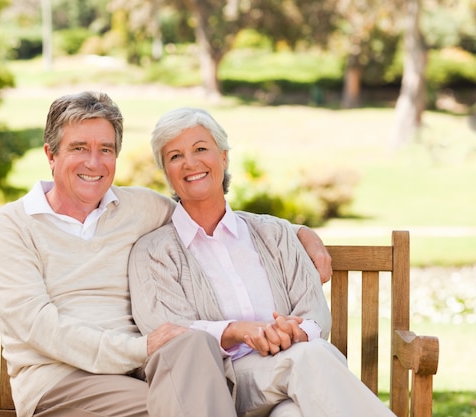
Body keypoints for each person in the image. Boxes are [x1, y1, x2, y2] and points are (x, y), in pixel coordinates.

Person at [0, 91, 331, 417]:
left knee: (194, 344)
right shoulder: (12, 226)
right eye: (79, 148)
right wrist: (140, 348)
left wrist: (300, 233)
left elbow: (211, 213)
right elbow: (42, 328)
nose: (94, 162)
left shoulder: (139, 207)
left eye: (106, 149)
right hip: (62, 382)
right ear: (51, 154)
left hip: (144, 372)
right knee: (188, 404)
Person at [128, 107, 397, 417]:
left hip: (287, 377)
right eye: (175, 156)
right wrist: (238, 331)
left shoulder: (276, 233)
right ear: (166, 172)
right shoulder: (153, 252)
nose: (190, 162)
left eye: (201, 149)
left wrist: (291, 332)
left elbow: (314, 314)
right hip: (222, 384)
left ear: (224, 157)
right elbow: (169, 333)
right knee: (309, 357)